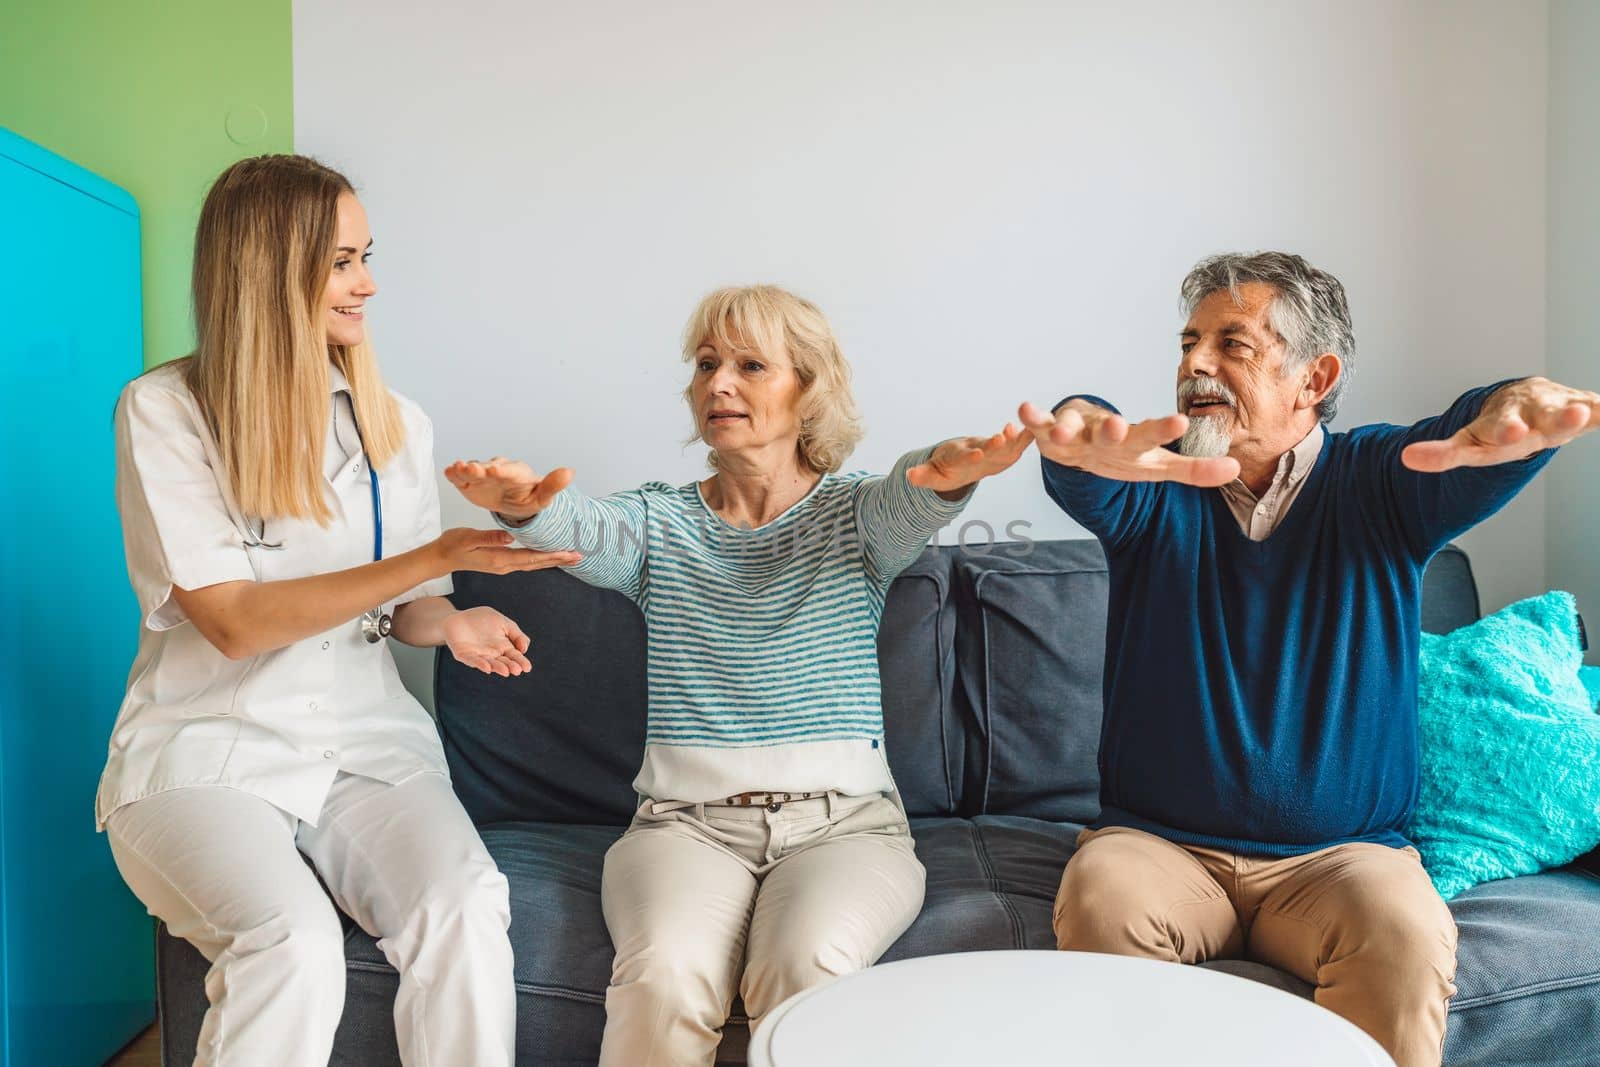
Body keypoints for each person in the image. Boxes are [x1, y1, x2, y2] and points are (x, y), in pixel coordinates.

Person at [1020, 250, 1599, 1067]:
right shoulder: (1154, 484)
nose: (1195, 363)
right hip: (1158, 847)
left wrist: (1515, 407)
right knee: (1101, 899)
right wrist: (1079, 428)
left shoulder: (1381, 483)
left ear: (1314, 375)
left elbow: (1474, 432)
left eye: (1233, 344)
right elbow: (1094, 459)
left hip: (1344, 858)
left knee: (1404, 929)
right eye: (1189, 343)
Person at [445, 284, 1030, 1065]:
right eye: (707, 364)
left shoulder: (854, 517)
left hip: (846, 829)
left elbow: (912, 494)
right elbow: (586, 529)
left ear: (807, 389)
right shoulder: (661, 522)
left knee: (807, 974)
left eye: (751, 365)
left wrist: (949, 469)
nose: (718, 383)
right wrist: (524, 508)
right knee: (664, 979)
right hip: (684, 826)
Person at [97, 154, 581, 1066]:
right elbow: (234, 620)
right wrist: (431, 558)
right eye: (342, 262)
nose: (369, 283)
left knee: (466, 904)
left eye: (367, 255)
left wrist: (450, 618)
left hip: (365, 744)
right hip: (207, 749)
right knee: (293, 944)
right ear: (268, 270)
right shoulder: (165, 411)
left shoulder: (393, 421)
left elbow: (408, 607)